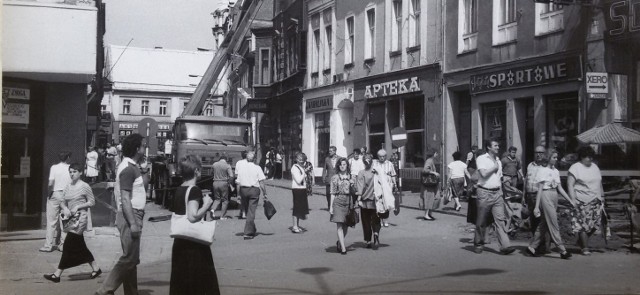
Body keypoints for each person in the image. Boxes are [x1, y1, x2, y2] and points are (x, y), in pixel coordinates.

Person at [96, 133, 146, 295]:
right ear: (137, 148)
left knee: (131, 259)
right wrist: (133, 223)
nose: (145, 148)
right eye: (143, 145)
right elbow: (125, 198)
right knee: (130, 258)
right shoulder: (127, 169)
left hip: (132, 214)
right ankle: (104, 290)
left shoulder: (131, 167)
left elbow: (138, 188)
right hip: (130, 215)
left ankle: (132, 292)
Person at [169, 155, 220, 295]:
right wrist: (207, 204)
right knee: (200, 283)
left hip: (180, 243)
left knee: (181, 284)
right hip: (194, 245)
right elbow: (192, 216)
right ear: (197, 171)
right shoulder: (194, 190)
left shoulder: (179, 189)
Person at [43, 163, 102, 283]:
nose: (72, 174)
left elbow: (92, 202)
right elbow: (62, 201)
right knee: (80, 245)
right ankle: (96, 268)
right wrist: (64, 208)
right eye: (70, 172)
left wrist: (78, 207)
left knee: (68, 244)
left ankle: (57, 274)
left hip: (81, 219)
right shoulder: (68, 186)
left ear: (80, 173)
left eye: (74, 171)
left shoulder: (85, 186)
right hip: (70, 219)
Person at [526, 149, 575, 259]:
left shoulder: (556, 171)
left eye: (556, 157)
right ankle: (562, 250)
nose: (556, 159)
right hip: (545, 195)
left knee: (543, 224)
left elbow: (560, 188)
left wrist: (570, 200)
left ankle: (532, 247)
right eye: (554, 157)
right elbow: (540, 189)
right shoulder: (542, 170)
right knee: (553, 224)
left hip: (554, 195)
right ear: (548, 158)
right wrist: (536, 207)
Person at [474, 139, 515, 255]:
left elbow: (499, 178)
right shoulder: (481, 159)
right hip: (484, 193)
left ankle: (505, 246)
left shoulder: (498, 161)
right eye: (495, 145)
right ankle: (478, 243)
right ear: (488, 147)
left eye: (498, 145)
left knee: (500, 220)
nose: (498, 147)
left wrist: (503, 184)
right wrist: (494, 168)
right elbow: (483, 174)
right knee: (481, 220)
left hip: (497, 193)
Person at [568, 146, 604, 256]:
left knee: (596, 224)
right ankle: (585, 247)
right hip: (581, 200)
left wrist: (602, 196)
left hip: (596, 200)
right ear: (582, 157)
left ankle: (582, 241)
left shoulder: (595, 167)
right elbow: (570, 184)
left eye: (592, 157)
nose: (591, 159)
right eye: (588, 157)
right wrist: (572, 199)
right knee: (582, 225)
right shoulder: (575, 167)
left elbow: (599, 182)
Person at [41, 151, 72, 253]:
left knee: (51, 221)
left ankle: (48, 245)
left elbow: (50, 183)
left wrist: (49, 193)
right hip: (66, 195)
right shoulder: (71, 168)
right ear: (67, 158)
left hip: (55, 193)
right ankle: (62, 245)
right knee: (65, 220)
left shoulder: (54, 167)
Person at [236, 150, 268, 240]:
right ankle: (248, 232)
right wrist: (265, 193)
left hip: (243, 190)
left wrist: (238, 194)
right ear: (254, 159)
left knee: (247, 210)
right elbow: (261, 182)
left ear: (246, 159)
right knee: (251, 211)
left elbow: (238, 183)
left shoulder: (242, 168)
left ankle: (252, 229)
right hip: (254, 190)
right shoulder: (257, 168)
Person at [524, 145, 551, 252]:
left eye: (541, 152)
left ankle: (545, 246)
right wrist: (523, 196)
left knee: (542, 221)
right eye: (536, 152)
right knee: (533, 221)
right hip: (530, 196)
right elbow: (526, 180)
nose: (538, 154)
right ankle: (538, 245)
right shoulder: (530, 165)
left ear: (545, 154)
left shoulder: (546, 167)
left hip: (540, 196)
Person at [356, 153, 382, 249]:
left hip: (364, 201)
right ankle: (376, 234)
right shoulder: (376, 171)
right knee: (376, 219)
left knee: (366, 221)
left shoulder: (361, 173)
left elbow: (360, 187)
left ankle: (367, 241)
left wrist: (358, 200)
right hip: (376, 200)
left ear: (363, 162)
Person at [330, 157, 354, 254]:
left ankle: (340, 242)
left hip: (348, 201)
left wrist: (353, 185)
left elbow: (355, 191)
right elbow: (332, 193)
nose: (342, 166)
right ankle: (343, 248)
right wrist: (331, 207)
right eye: (340, 164)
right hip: (338, 201)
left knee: (346, 225)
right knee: (339, 225)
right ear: (338, 166)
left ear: (347, 165)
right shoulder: (335, 178)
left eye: (344, 164)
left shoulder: (351, 177)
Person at [373, 149, 397, 226]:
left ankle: (385, 220)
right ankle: (380, 219)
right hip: (378, 185)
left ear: (386, 156)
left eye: (383, 156)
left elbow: (393, 174)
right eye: (380, 156)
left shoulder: (389, 164)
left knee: (387, 202)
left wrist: (395, 184)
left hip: (388, 185)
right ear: (378, 156)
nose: (382, 158)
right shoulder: (375, 164)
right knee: (379, 202)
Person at [290, 153, 310, 233]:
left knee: (301, 207)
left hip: (302, 189)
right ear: (296, 159)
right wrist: (305, 172)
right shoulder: (294, 167)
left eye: (303, 160)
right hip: (297, 189)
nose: (301, 161)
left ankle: (297, 225)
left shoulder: (301, 167)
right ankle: (294, 226)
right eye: (299, 159)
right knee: (297, 207)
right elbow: (298, 181)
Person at [210, 154, 234, 220]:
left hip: (215, 183)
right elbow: (231, 176)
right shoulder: (227, 166)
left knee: (217, 199)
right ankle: (222, 216)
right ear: (226, 159)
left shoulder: (214, 164)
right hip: (224, 183)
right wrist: (229, 182)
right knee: (225, 200)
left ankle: (212, 209)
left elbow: (211, 173)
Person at [420, 149, 439, 221]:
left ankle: (429, 214)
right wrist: (434, 173)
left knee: (431, 198)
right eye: (436, 153)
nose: (437, 154)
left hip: (431, 183)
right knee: (429, 197)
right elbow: (425, 170)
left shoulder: (431, 160)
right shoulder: (429, 161)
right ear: (434, 153)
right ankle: (426, 214)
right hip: (429, 183)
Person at [235, 151, 249, 219]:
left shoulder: (238, 163)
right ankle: (244, 212)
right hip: (249, 182)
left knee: (242, 198)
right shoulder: (250, 163)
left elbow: (236, 174)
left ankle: (243, 212)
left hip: (241, 182)